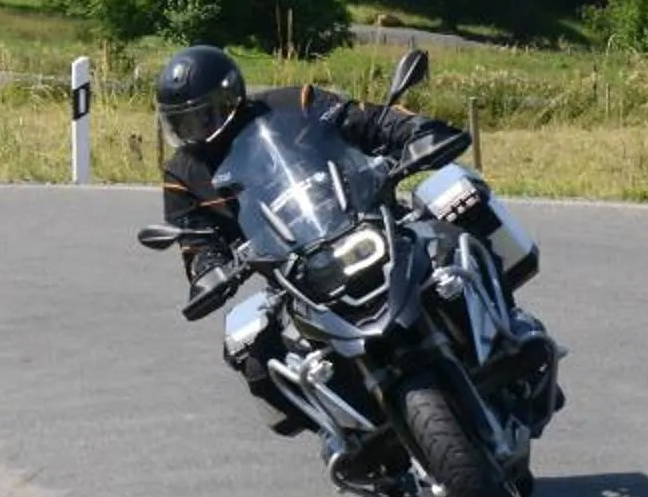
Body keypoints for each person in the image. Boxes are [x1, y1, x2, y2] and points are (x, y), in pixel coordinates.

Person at [153, 43, 468, 431]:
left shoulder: (294, 103)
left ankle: (502, 325)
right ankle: (346, 432)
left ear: (228, 97)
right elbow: (196, 239)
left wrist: (412, 132)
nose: (193, 131)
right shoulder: (184, 173)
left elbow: (362, 119)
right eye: (181, 123)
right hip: (293, 272)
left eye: (201, 117)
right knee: (250, 349)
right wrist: (210, 269)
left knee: (458, 204)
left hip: (364, 220)